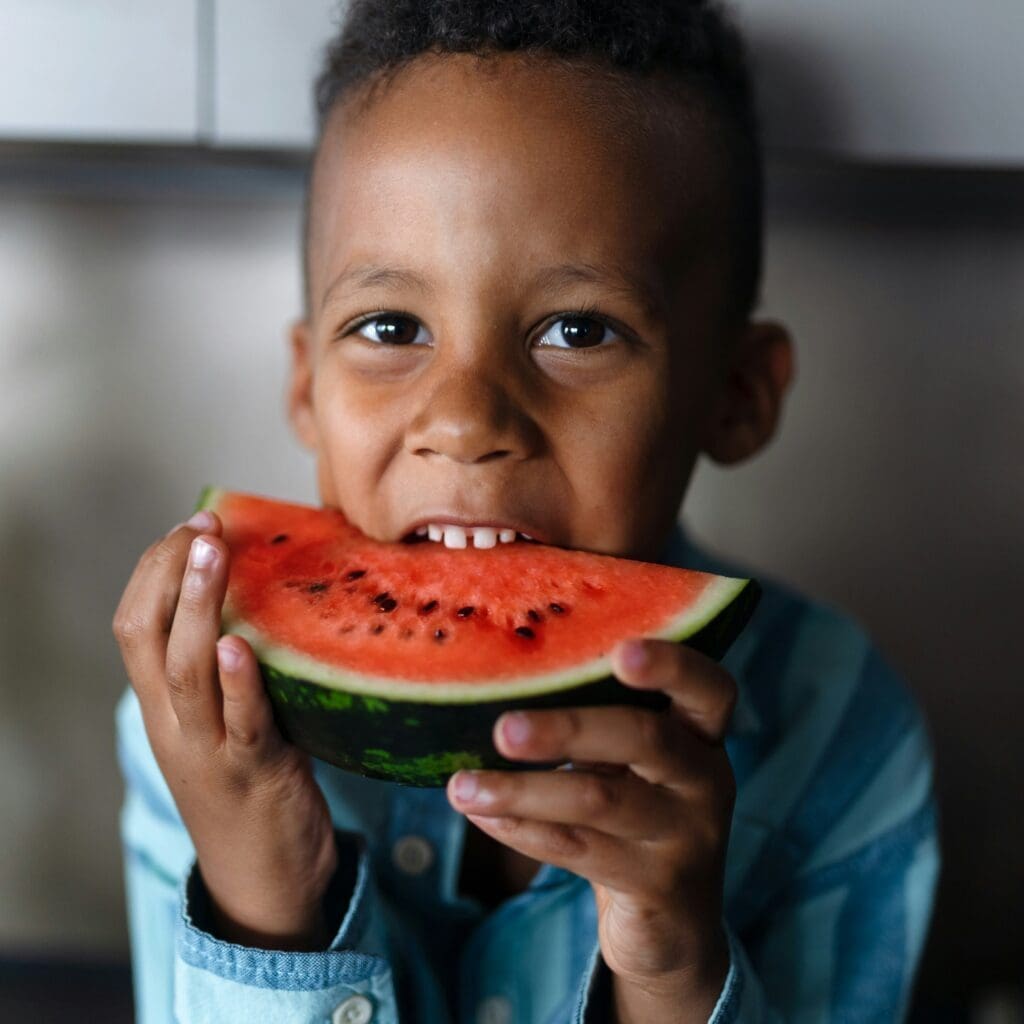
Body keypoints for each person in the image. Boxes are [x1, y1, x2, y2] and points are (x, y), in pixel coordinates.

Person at [112, 1, 940, 1021]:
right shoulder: (206, 716)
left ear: (736, 393)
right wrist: (262, 893)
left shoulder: (838, 733)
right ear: (305, 387)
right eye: (388, 325)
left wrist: (674, 969)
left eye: (576, 329)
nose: (464, 419)